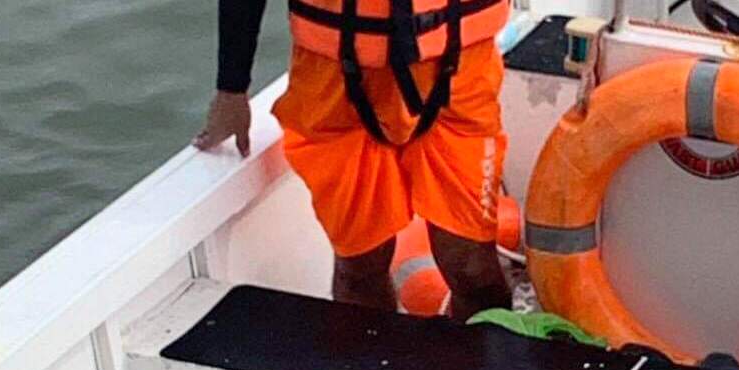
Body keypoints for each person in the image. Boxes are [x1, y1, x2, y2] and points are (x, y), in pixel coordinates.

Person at [194, 0, 512, 321]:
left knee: (472, 268)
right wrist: (231, 89)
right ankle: (372, 354)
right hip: (334, 86)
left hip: (459, 75)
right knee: (359, 268)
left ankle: (492, 351)